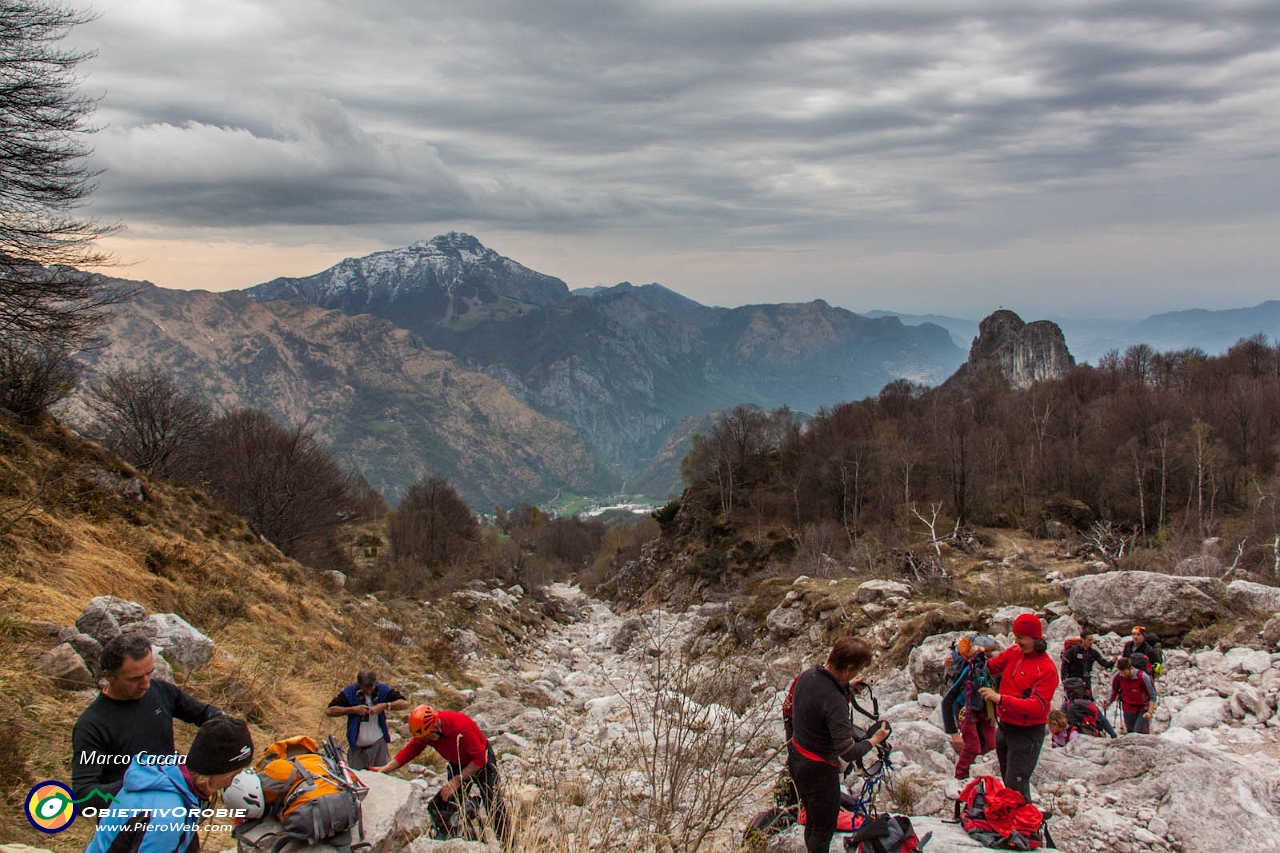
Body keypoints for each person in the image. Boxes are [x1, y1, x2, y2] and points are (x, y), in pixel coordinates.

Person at [72, 633, 222, 809]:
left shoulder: (161, 692)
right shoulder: (92, 725)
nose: (146, 684)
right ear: (109, 676)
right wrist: (142, 782)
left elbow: (206, 714)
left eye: (149, 673)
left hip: (175, 816)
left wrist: (225, 725)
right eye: (135, 679)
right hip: (128, 826)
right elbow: (83, 796)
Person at [85, 716, 254, 853]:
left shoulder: (167, 774)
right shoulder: (166, 817)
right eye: (232, 774)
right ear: (212, 770)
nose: (231, 783)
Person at [786, 637, 890, 853]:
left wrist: (846, 685)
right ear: (849, 667)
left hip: (797, 760)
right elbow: (848, 751)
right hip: (820, 771)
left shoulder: (807, 676)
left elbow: (818, 695)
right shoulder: (834, 700)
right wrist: (874, 740)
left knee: (813, 821)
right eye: (855, 670)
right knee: (823, 830)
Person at [374, 705, 510, 846]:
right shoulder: (427, 732)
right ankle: (462, 841)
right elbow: (410, 751)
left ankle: (508, 843)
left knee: (493, 801)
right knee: (448, 802)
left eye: (427, 736)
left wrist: (457, 780)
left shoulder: (460, 727)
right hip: (457, 761)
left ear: (436, 727)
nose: (426, 740)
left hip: (481, 760)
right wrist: (385, 769)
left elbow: (480, 760)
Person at [979, 614, 1058, 802]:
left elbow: (1037, 706)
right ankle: (1017, 821)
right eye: (1016, 636)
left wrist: (1000, 699)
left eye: (1021, 638)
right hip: (1006, 726)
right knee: (1009, 780)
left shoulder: (1046, 668)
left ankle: (1025, 826)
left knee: (1016, 783)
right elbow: (991, 667)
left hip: (1027, 734)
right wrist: (975, 656)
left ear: (1035, 638)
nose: (1017, 641)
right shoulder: (1015, 653)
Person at [942, 634, 1000, 781]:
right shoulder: (971, 670)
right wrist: (953, 733)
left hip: (984, 710)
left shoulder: (993, 673)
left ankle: (970, 766)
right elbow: (947, 700)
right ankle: (960, 777)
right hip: (965, 709)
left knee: (990, 744)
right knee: (972, 746)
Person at [325, 669, 408, 770]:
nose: (369, 691)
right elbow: (330, 711)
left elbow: (404, 703)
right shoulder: (350, 692)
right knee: (357, 780)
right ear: (359, 686)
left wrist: (384, 706)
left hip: (379, 745)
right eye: (365, 689)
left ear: (375, 683)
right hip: (357, 748)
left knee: (381, 777)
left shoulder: (382, 689)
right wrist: (353, 710)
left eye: (371, 688)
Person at [1105, 656, 1156, 734]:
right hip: (1127, 708)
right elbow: (1114, 690)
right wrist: (1108, 702)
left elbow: (1152, 696)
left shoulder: (1142, 677)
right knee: (1130, 732)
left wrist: (1150, 712)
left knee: (1138, 733)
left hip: (1142, 708)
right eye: (1121, 672)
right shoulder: (1118, 676)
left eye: (1124, 673)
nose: (1123, 675)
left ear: (1130, 669)